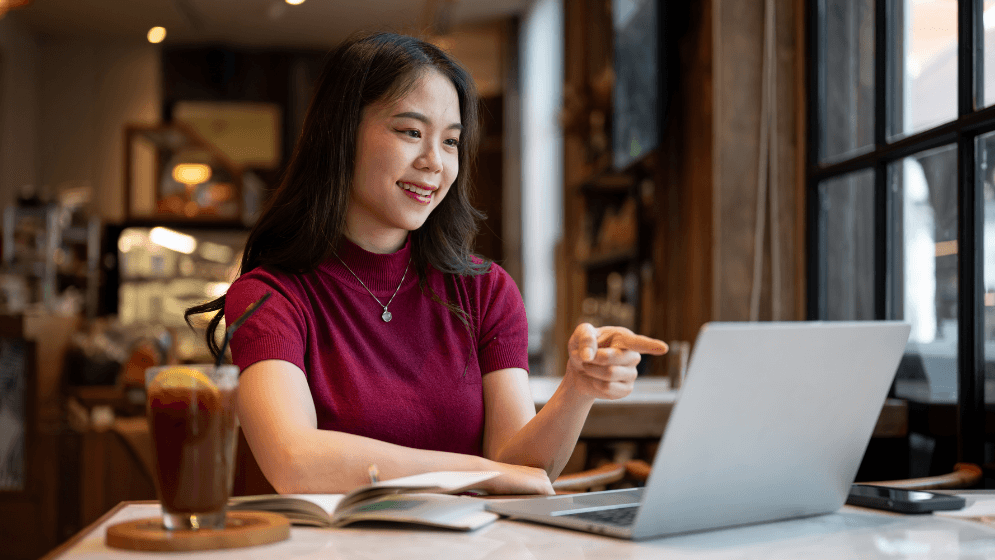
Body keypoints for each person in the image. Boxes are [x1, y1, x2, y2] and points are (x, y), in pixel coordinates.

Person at [185, 31, 668, 496]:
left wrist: (577, 389)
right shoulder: (272, 294)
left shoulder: (487, 291)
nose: (435, 162)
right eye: (411, 132)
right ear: (341, 135)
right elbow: (296, 460)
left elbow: (519, 471)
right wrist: (477, 472)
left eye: (451, 141)